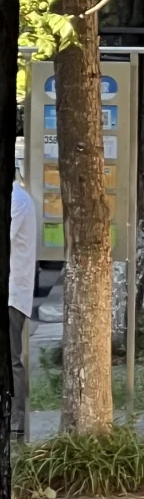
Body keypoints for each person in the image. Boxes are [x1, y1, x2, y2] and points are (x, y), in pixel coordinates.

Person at [9, 180, 36, 443]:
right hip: (12, 292)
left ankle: (17, 419)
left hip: (12, 294)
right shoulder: (19, 197)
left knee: (12, 359)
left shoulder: (16, 201)